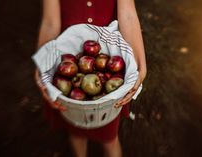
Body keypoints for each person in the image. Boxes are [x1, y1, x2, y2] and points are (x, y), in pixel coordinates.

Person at [34, 0, 147, 157]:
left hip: (107, 51)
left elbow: (127, 15)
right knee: (75, 130)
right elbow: (50, 22)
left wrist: (141, 64)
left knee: (109, 138)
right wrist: (42, 63)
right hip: (68, 50)